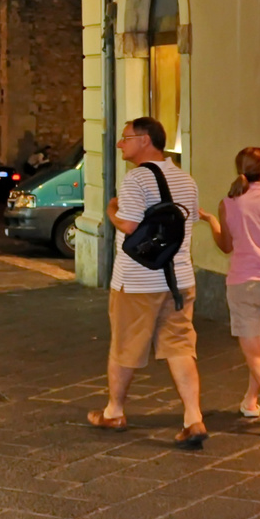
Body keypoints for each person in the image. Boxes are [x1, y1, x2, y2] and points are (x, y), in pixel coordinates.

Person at [87, 117, 206, 448]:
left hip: (138, 281)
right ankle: (193, 418)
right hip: (180, 279)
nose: (120, 144)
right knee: (180, 347)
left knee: (125, 346)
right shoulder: (186, 179)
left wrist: (110, 209)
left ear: (144, 140)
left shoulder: (135, 179)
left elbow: (128, 227)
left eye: (125, 138)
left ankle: (114, 411)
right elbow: (190, 223)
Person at [196, 146, 260, 438]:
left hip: (244, 284)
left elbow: (226, 246)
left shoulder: (230, 203)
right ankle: (251, 402)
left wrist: (212, 222)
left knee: (253, 353)